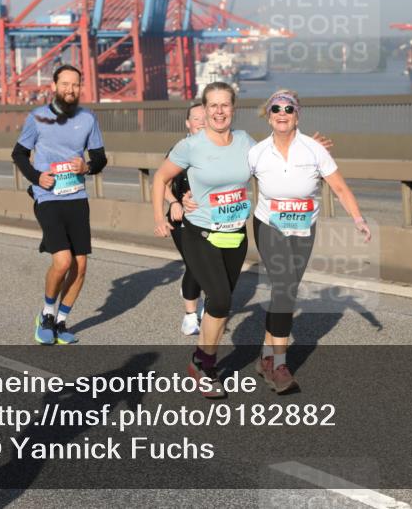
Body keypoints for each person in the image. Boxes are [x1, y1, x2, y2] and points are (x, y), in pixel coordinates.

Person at [249, 89, 371, 393]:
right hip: (269, 226)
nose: (281, 113)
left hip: (304, 228)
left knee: (283, 294)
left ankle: (265, 357)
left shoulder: (314, 149)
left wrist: (358, 219)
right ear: (268, 115)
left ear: (296, 115)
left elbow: (340, 188)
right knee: (285, 289)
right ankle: (279, 365)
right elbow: (232, 181)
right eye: (275, 108)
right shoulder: (256, 152)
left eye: (287, 109)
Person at [152, 82, 255, 398]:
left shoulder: (245, 141)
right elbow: (160, 177)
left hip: (235, 233)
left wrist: (311, 153)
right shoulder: (191, 146)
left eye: (225, 105)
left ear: (233, 109)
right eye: (213, 105)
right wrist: (162, 214)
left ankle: (201, 359)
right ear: (205, 109)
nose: (220, 111)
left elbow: (274, 162)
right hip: (201, 234)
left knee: (220, 306)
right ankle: (207, 366)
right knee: (221, 299)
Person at [11, 65, 107, 345]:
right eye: (65, 84)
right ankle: (47, 314)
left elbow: (100, 158)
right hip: (48, 197)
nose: (70, 90)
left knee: (80, 265)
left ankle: (63, 321)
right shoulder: (38, 117)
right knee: (62, 260)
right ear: (54, 86)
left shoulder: (88, 118)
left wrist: (87, 166)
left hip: (76, 195)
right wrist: (37, 177)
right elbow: (18, 154)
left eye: (75, 85)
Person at [166, 101, 207, 335]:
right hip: (181, 216)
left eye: (205, 117)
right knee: (196, 262)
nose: (201, 122)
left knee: (206, 264)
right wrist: (173, 203)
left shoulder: (219, 148)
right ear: (188, 123)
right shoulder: (179, 150)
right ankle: (190, 316)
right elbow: (160, 182)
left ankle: (201, 300)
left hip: (210, 217)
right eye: (196, 118)